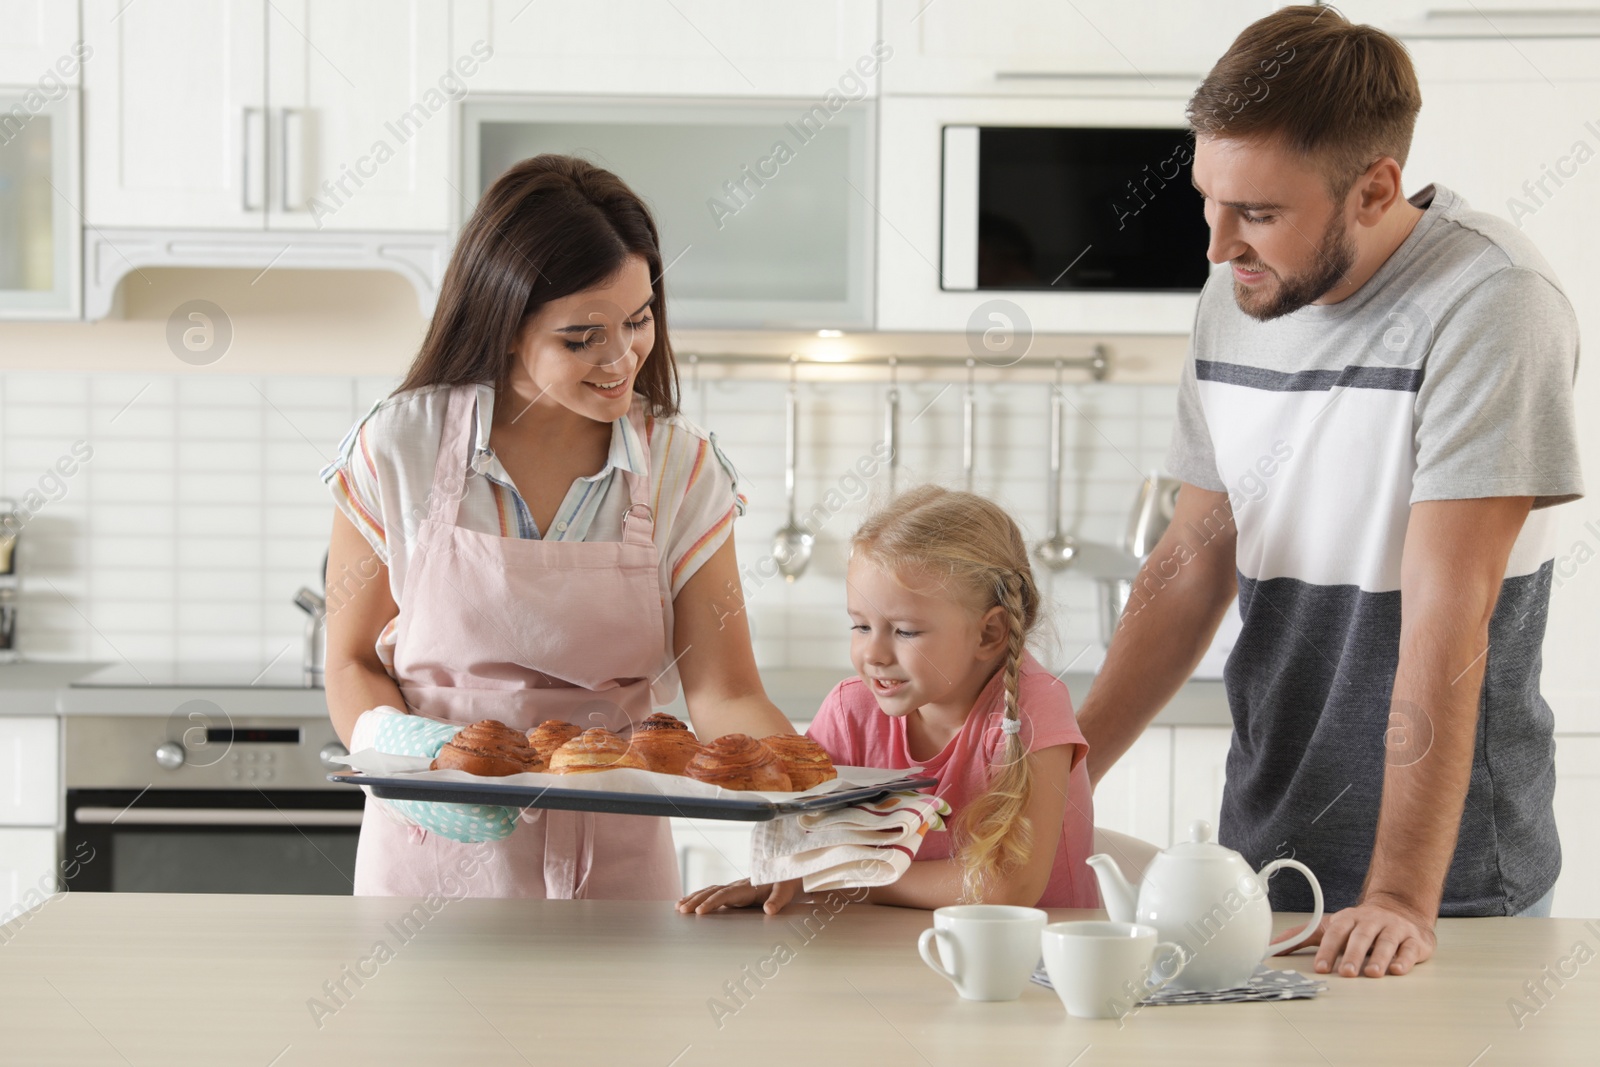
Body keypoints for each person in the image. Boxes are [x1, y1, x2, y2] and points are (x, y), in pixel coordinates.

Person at [1076, 7, 1583, 979]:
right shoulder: (1237, 295)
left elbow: (1448, 608)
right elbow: (1189, 565)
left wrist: (1396, 891)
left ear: (1375, 188)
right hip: (1259, 860)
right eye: (1207, 201)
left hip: (1448, 885)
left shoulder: (1492, 303)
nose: (1218, 247)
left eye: (1257, 213)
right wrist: (1062, 777)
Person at [321, 154, 794, 899]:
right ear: (505, 325)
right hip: (431, 855)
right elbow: (350, 662)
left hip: (617, 869)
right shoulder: (399, 447)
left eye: (639, 320)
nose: (622, 357)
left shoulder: (682, 465)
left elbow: (725, 688)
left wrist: (818, 792)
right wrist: (409, 750)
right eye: (582, 337)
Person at [679, 487, 1099, 913]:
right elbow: (802, 845)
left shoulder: (1031, 708)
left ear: (990, 633)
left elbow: (1006, 889)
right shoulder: (851, 712)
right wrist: (785, 877)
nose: (873, 655)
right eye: (860, 626)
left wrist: (833, 878)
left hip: (1037, 967)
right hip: (889, 955)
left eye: (905, 631)